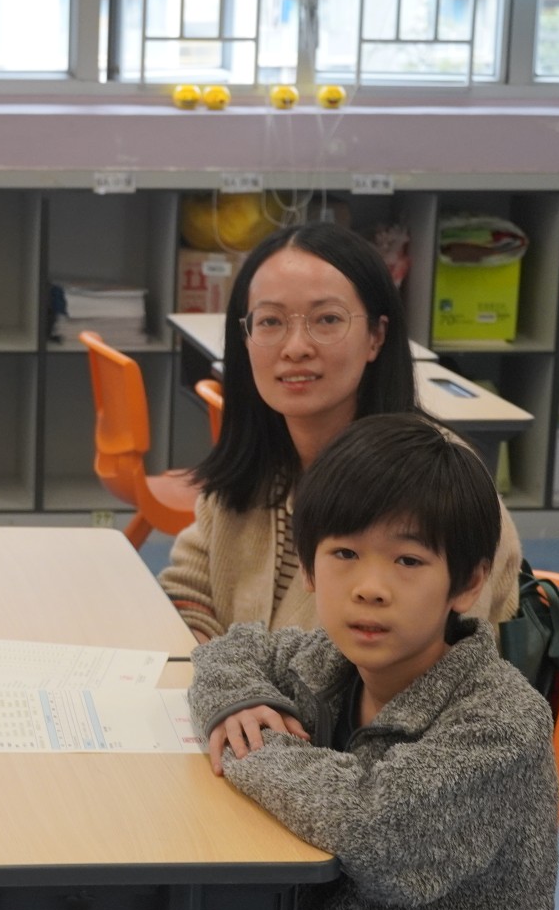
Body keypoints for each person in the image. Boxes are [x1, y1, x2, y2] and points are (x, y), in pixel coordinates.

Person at [191, 412, 558, 910]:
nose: (370, 588)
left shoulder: (503, 722)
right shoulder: (330, 664)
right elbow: (231, 652)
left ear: (468, 583)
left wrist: (255, 746)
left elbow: (376, 830)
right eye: (344, 554)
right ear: (310, 569)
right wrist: (240, 702)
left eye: (408, 560)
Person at [158, 223, 522, 641]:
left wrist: (233, 676)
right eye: (271, 321)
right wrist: (213, 663)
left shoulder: (438, 484)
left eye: (327, 319)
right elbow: (186, 593)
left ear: (376, 337)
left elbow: (422, 666)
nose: (295, 347)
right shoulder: (259, 466)